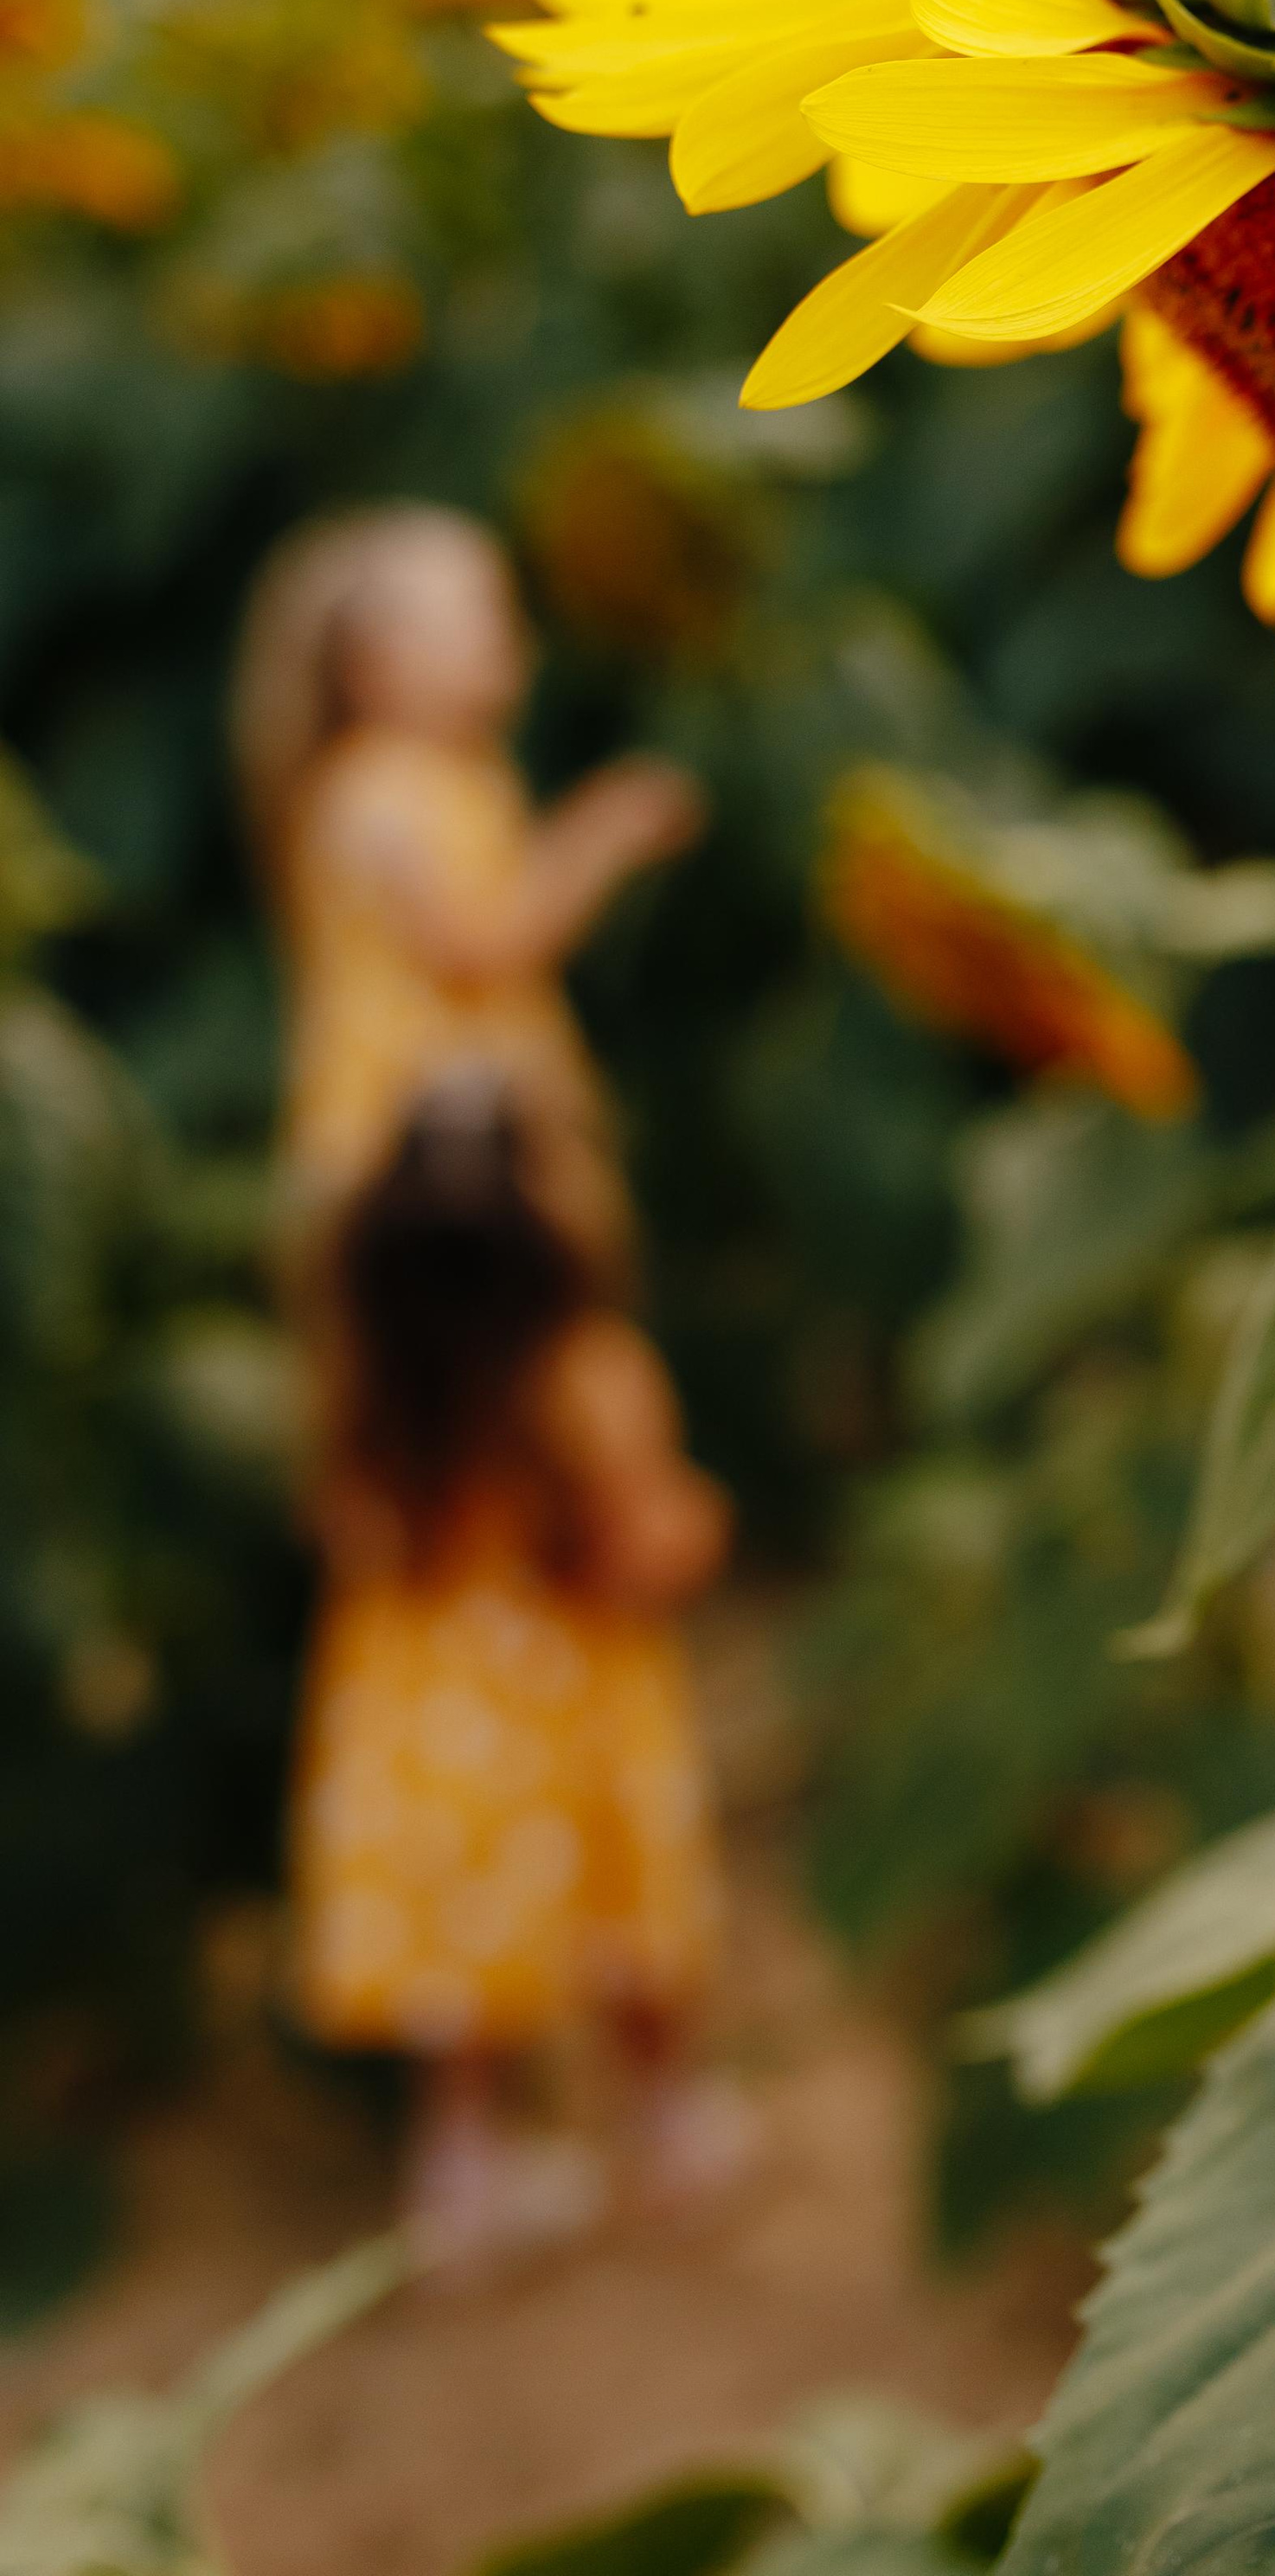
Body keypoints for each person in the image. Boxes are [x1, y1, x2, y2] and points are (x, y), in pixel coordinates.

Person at [292, 1068, 749, 2266]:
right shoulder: (587, 1375)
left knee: (462, 1954)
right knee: (626, 1927)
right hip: (575, 1712)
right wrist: (703, 1525)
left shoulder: (370, 1387)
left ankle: (463, 2166)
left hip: (426, 1723)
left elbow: (351, 1530)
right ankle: (666, 2119)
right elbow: (641, 1546)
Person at [231, 503, 702, 1272]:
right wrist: (598, 837)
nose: (506, 639)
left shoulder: (464, 779)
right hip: (410, 1150)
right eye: (477, 616)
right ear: (370, 660)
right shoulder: (377, 792)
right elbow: (475, 948)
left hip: (469, 1138)